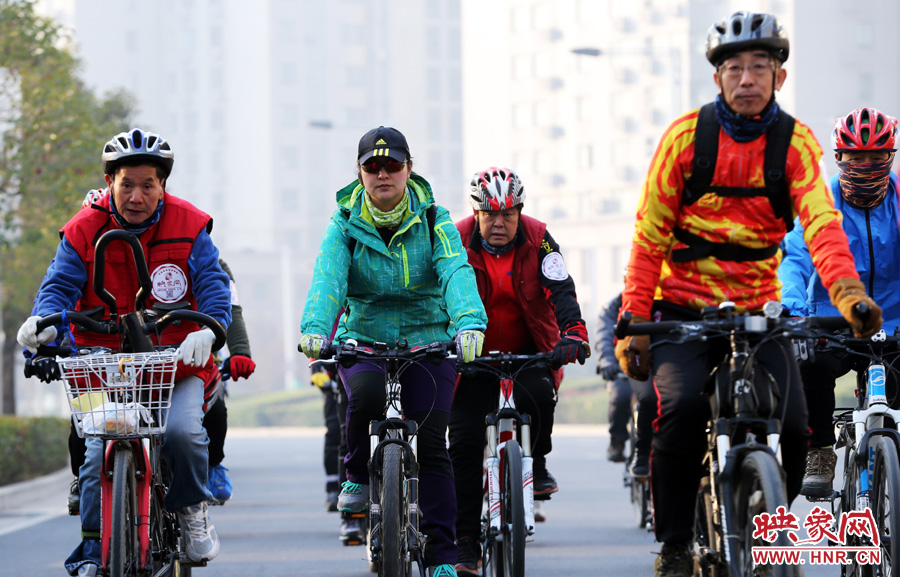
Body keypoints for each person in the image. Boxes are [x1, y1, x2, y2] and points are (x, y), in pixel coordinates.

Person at [612, 12, 882, 577]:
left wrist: (850, 295)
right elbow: (650, 234)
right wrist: (636, 316)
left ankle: (769, 524)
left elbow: (823, 228)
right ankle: (677, 545)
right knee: (681, 410)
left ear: (779, 77)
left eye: (760, 66)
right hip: (683, 309)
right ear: (718, 79)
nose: (747, 78)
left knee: (794, 423)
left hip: (760, 310)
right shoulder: (684, 140)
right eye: (735, 67)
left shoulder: (796, 144)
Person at [17, 128, 232, 577]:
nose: (136, 196)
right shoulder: (82, 228)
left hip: (176, 361)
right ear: (109, 183)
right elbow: (58, 286)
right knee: (96, 452)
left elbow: (213, 287)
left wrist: (211, 332)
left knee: (183, 435)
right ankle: (95, 551)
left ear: (163, 187)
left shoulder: (190, 224)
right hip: (103, 366)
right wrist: (41, 325)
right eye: (126, 184)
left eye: (147, 185)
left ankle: (192, 512)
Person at [299, 126, 488, 577]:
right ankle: (355, 475)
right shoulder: (343, 223)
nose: (383, 174)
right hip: (365, 336)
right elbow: (328, 278)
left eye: (393, 165)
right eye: (372, 166)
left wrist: (468, 324)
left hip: (429, 338)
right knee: (363, 396)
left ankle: (443, 556)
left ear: (408, 169)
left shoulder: (434, 218)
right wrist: (316, 328)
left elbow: (455, 271)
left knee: (434, 443)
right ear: (359, 173)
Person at [448, 167, 589, 576]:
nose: (499, 222)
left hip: (528, 351)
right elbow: (437, 293)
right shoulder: (453, 240)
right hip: (470, 359)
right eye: (490, 214)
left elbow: (561, 288)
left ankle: (538, 461)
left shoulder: (540, 237)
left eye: (508, 214)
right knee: (465, 445)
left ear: (520, 211)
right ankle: (466, 546)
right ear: (475, 213)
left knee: (541, 396)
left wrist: (573, 332)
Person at [780, 107, 900, 498]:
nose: (866, 165)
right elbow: (795, 259)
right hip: (831, 321)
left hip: (894, 322)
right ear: (839, 158)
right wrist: (794, 310)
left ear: (890, 158)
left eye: (876, 157)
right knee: (808, 366)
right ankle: (820, 453)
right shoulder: (820, 201)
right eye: (856, 158)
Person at [207, 257, 257, 503]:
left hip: (197, 356)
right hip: (131, 359)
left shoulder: (207, 256)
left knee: (214, 411)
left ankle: (212, 464)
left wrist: (239, 352)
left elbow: (231, 308)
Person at [596, 289, 655, 476]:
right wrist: (606, 361)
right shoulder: (611, 309)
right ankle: (618, 441)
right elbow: (604, 337)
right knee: (620, 397)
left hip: (651, 366)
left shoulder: (657, 301)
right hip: (619, 367)